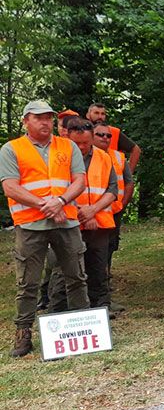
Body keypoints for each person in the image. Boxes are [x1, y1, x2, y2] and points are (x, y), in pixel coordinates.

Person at [3, 101, 89, 358]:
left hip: (66, 221)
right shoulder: (11, 149)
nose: (45, 122)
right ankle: (23, 335)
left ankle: (84, 329)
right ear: (25, 121)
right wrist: (48, 205)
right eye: (38, 118)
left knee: (76, 275)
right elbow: (10, 187)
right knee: (28, 282)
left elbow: (80, 181)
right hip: (30, 224)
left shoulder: (68, 145)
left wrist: (61, 201)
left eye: (49, 118)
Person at [48, 118, 118, 314]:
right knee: (64, 270)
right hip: (67, 223)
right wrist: (83, 213)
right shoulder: (56, 156)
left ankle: (101, 309)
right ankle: (58, 312)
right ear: (66, 136)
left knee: (98, 268)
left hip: (99, 224)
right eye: (77, 143)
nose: (82, 147)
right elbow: (54, 189)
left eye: (86, 142)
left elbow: (112, 190)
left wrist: (93, 210)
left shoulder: (104, 158)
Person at [93, 122, 133, 291]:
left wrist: (123, 204)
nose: (105, 138)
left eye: (108, 135)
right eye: (100, 135)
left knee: (108, 248)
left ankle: (104, 284)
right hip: (88, 213)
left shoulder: (118, 157)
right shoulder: (81, 155)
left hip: (113, 211)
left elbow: (129, 182)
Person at [85, 103, 141, 173]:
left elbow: (136, 150)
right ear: (88, 115)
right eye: (96, 113)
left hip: (112, 176)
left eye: (103, 114)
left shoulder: (114, 132)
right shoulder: (80, 131)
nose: (100, 116)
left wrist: (128, 174)